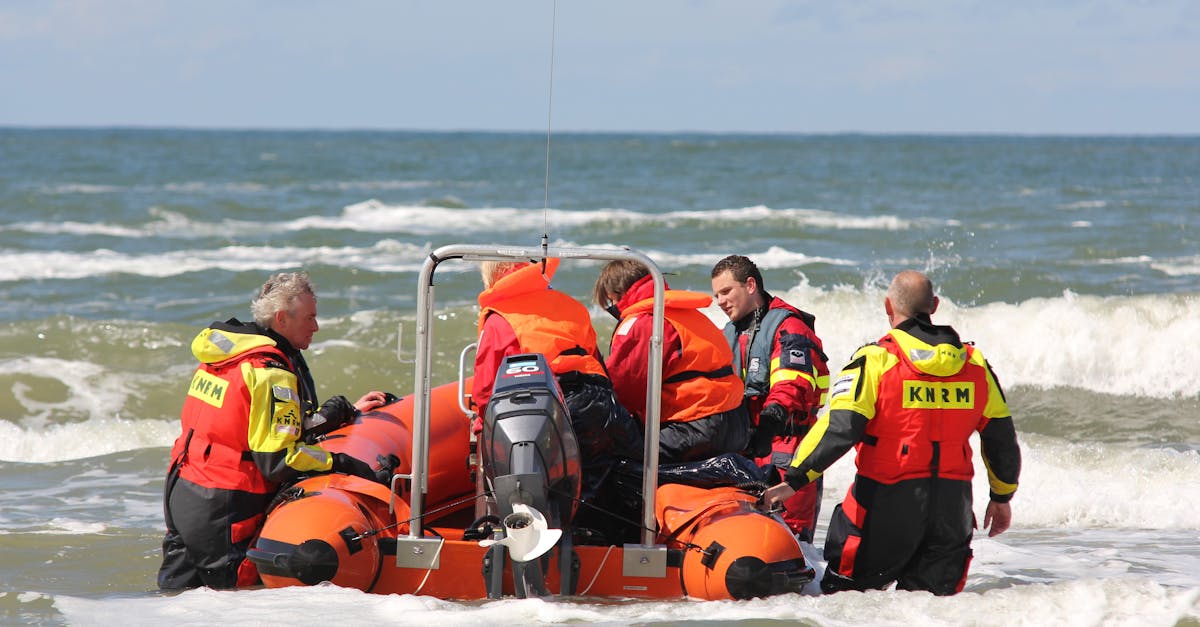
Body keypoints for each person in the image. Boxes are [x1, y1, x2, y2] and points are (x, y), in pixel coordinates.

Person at [762, 270, 1021, 595]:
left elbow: (839, 428)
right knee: (930, 612)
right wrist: (1001, 497)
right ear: (935, 305)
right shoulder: (975, 365)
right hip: (952, 512)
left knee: (846, 606)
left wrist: (793, 480)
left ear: (888, 305)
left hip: (883, 509)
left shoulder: (877, 360)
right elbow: (1001, 439)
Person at [158, 271, 392, 591]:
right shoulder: (271, 371)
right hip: (224, 503)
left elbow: (250, 424)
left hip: (182, 488)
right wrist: (342, 463)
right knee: (233, 600)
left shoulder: (227, 355)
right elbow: (279, 459)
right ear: (282, 318)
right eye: (310, 318)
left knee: (175, 596)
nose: (316, 327)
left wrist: (343, 413)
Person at [473, 258, 643, 539]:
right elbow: (596, 359)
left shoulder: (500, 317)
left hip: (553, 406)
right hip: (598, 398)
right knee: (603, 477)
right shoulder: (570, 305)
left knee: (546, 485)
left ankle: (544, 545)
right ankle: (607, 540)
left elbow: (486, 389)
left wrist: (484, 427)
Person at [711, 255, 830, 542]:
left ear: (750, 285)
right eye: (716, 295)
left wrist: (767, 425)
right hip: (745, 453)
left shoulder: (789, 327)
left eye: (726, 291)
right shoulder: (727, 334)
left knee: (791, 543)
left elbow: (793, 385)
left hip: (787, 454)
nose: (720, 301)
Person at [592, 259, 749, 463]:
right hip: (736, 424)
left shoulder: (643, 322)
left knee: (607, 454)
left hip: (694, 428)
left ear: (616, 294)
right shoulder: (690, 314)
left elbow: (624, 394)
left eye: (610, 302)